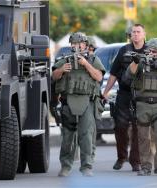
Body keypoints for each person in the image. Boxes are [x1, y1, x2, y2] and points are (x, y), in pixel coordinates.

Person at [52, 32, 105, 177]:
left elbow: (99, 76)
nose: (76, 46)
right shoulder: (65, 60)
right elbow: (54, 76)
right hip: (68, 102)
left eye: (79, 44)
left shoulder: (93, 59)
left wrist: (86, 64)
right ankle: (65, 166)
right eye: (73, 44)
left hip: (87, 102)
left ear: (85, 45)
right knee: (68, 137)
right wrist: (62, 70)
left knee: (86, 136)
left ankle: (86, 166)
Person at [125, 38, 157, 176]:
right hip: (142, 104)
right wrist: (135, 62)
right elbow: (128, 75)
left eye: (155, 51)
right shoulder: (141, 63)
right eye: (150, 51)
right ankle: (146, 167)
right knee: (143, 137)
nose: (152, 53)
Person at [102, 23, 146, 172]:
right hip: (124, 93)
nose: (135, 34)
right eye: (133, 32)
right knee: (120, 126)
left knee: (138, 128)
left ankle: (136, 161)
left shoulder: (149, 50)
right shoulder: (123, 50)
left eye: (138, 32)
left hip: (142, 95)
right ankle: (121, 158)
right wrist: (106, 91)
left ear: (144, 34)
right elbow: (114, 73)